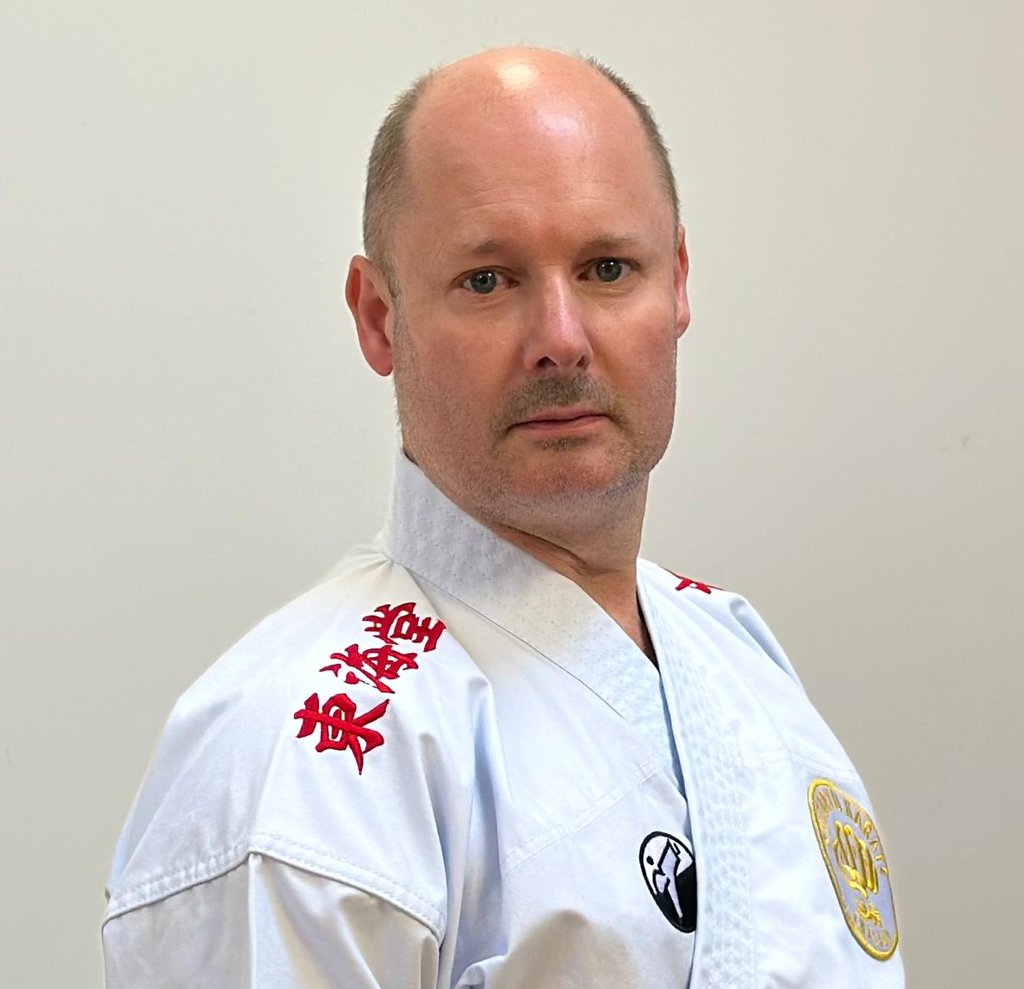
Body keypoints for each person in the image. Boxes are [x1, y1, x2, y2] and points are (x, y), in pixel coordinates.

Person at [103, 47, 904, 988]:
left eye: (608, 268)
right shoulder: (303, 767)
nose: (561, 338)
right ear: (379, 316)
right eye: (489, 280)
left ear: (679, 281)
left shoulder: (735, 655)